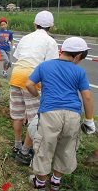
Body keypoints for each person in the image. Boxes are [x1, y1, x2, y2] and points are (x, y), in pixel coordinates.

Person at [26, 37, 95, 191]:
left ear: (62, 51)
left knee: (45, 146)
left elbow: (29, 84)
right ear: (77, 56)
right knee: (66, 147)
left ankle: (40, 183)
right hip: (73, 115)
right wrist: (89, 120)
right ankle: (56, 181)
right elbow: (87, 97)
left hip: (50, 113)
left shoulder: (45, 66)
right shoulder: (79, 71)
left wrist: (37, 95)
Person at [9, 11, 59, 166]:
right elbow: (50, 66)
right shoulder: (50, 42)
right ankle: (25, 151)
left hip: (16, 76)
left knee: (17, 115)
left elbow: (18, 57)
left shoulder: (25, 38)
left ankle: (17, 146)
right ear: (51, 26)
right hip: (33, 80)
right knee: (34, 118)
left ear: (35, 24)